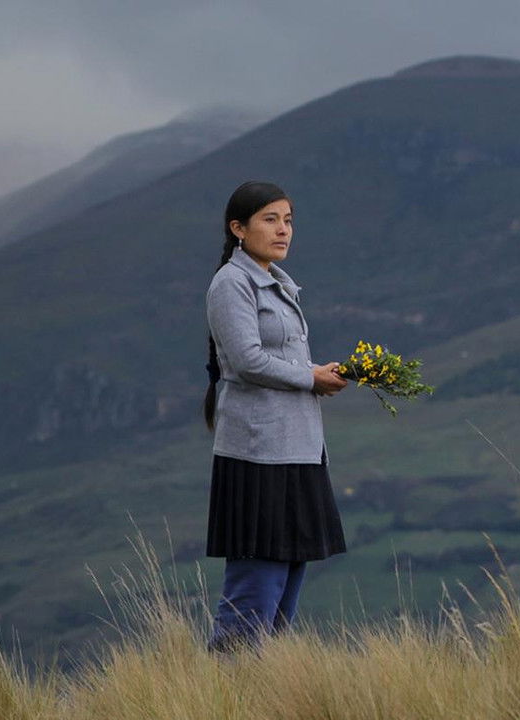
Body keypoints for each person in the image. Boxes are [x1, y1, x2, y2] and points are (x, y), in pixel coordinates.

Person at [202, 180, 349, 654]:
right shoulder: (232, 283)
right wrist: (311, 379)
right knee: (253, 595)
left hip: (299, 450)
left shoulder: (280, 284)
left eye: (288, 219)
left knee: (285, 589)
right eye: (270, 219)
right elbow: (245, 360)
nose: (283, 229)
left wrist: (318, 372)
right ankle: (226, 693)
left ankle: (265, 694)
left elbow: (278, 360)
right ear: (238, 228)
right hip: (259, 455)